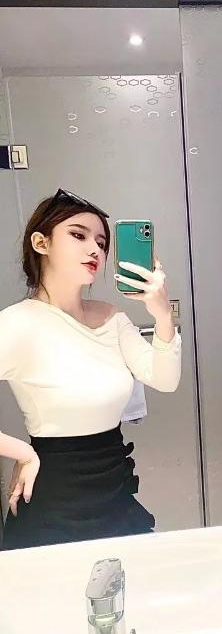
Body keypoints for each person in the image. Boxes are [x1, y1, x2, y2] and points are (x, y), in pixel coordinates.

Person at [0, 189, 181, 549]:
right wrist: (22, 452)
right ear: (41, 242)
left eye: (101, 242)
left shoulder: (112, 317)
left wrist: (162, 315)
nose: (95, 250)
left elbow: (165, 379)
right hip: (53, 497)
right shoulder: (18, 324)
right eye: (78, 235)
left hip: (114, 484)